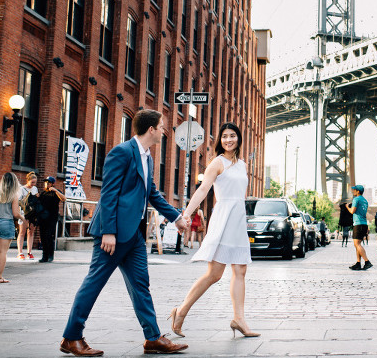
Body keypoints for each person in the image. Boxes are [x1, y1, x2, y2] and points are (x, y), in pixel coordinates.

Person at [61, 109, 189, 356]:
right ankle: (71, 337)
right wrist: (108, 231)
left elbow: (152, 193)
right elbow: (108, 193)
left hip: (134, 236)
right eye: (162, 127)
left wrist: (176, 217)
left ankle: (152, 337)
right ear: (151, 129)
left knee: (141, 285)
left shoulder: (148, 157)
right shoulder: (121, 152)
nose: (164, 131)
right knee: (94, 284)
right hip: (114, 234)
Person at [171, 122, 259, 339]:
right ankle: (180, 311)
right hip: (223, 219)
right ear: (220, 140)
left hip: (238, 219)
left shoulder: (242, 165)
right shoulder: (217, 163)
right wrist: (186, 214)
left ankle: (239, 319)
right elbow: (202, 190)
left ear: (238, 138)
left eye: (232, 136)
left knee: (240, 271)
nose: (228, 140)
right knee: (214, 274)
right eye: (224, 137)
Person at [37, 176, 66, 263]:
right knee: (43, 237)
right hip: (43, 218)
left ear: (53, 184)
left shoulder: (56, 193)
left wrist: (56, 190)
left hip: (52, 218)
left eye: (49, 183)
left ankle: (50, 255)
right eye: (46, 182)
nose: (47, 184)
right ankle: (44, 256)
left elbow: (64, 198)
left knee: (49, 236)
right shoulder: (43, 193)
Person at [347, 185, 372, 270]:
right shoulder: (365, 200)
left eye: (354, 190)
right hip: (364, 224)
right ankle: (358, 263)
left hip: (358, 224)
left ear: (358, 191)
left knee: (356, 244)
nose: (353, 191)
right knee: (358, 244)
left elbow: (352, 211)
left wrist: (347, 207)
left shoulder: (356, 199)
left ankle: (367, 261)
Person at [17, 171, 39, 260]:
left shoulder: (35, 189)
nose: (33, 184)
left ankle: (29, 252)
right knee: (22, 232)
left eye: (35, 183)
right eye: (32, 182)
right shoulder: (21, 189)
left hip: (33, 213)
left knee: (31, 232)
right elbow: (19, 201)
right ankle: (20, 252)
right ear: (28, 180)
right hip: (24, 213)